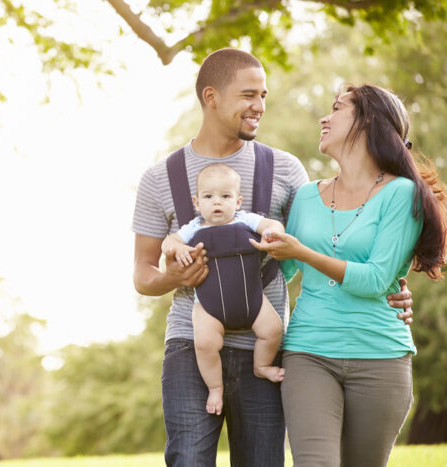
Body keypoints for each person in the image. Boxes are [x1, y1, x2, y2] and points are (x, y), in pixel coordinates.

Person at [131, 48, 415, 467]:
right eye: (249, 95)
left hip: (267, 346)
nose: (259, 107)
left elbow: (318, 251)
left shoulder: (285, 171)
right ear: (211, 97)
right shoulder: (160, 178)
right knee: (188, 460)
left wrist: (391, 286)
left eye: (263, 95)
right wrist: (177, 277)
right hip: (191, 345)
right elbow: (141, 274)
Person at [252, 84, 447, 466]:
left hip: (380, 357)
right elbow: (283, 269)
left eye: (337, 108)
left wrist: (303, 251)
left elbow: (375, 279)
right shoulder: (307, 196)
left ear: (369, 120)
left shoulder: (402, 194)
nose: (325, 118)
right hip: (309, 352)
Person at [162, 163, 285, 416]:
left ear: (238, 200)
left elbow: (272, 224)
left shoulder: (246, 219)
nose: (217, 202)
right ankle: (215, 388)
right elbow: (168, 242)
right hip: (209, 306)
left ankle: (261, 366)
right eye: (208, 197)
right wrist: (179, 249)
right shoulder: (193, 228)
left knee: (273, 330)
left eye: (225, 196)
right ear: (197, 202)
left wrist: (272, 233)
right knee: (205, 344)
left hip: (253, 301)